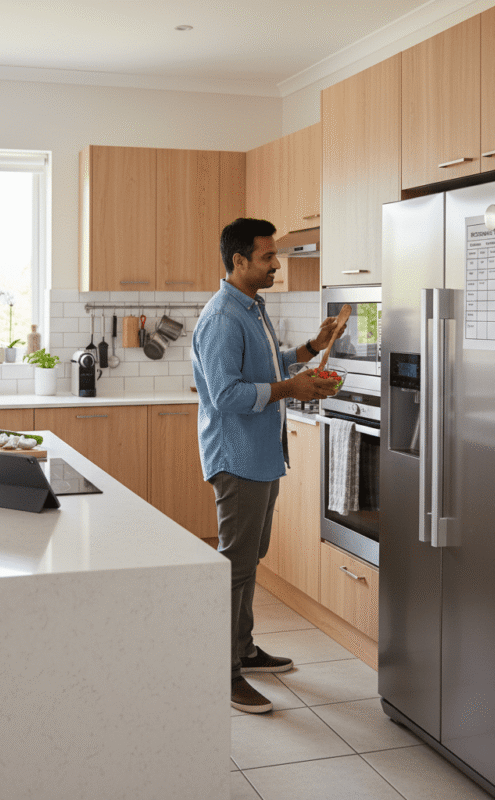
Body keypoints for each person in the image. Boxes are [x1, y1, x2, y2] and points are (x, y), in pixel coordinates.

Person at [192, 217, 346, 714]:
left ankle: (242, 649)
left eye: (276, 255)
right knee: (233, 567)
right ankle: (223, 673)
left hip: (260, 454)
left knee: (248, 559)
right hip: (236, 457)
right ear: (238, 261)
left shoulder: (252, 308)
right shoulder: (222, 317)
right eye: (267, 256)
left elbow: (269, 365)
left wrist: (309, 351)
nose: (276, 263)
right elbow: (226, 394)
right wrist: (292, 388)